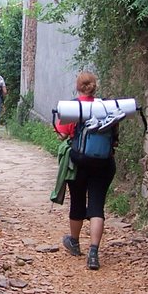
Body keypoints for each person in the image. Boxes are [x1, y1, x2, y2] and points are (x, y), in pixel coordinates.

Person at [54, 71, 116, 270]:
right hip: (104, 164)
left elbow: (61, 135)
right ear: (94, 86)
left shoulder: (74, 108)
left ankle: (74, 241)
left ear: (78, 86)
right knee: (97, 206)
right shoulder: (107, 107)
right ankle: (94, 252)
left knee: (78, 202)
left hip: (79, 163)